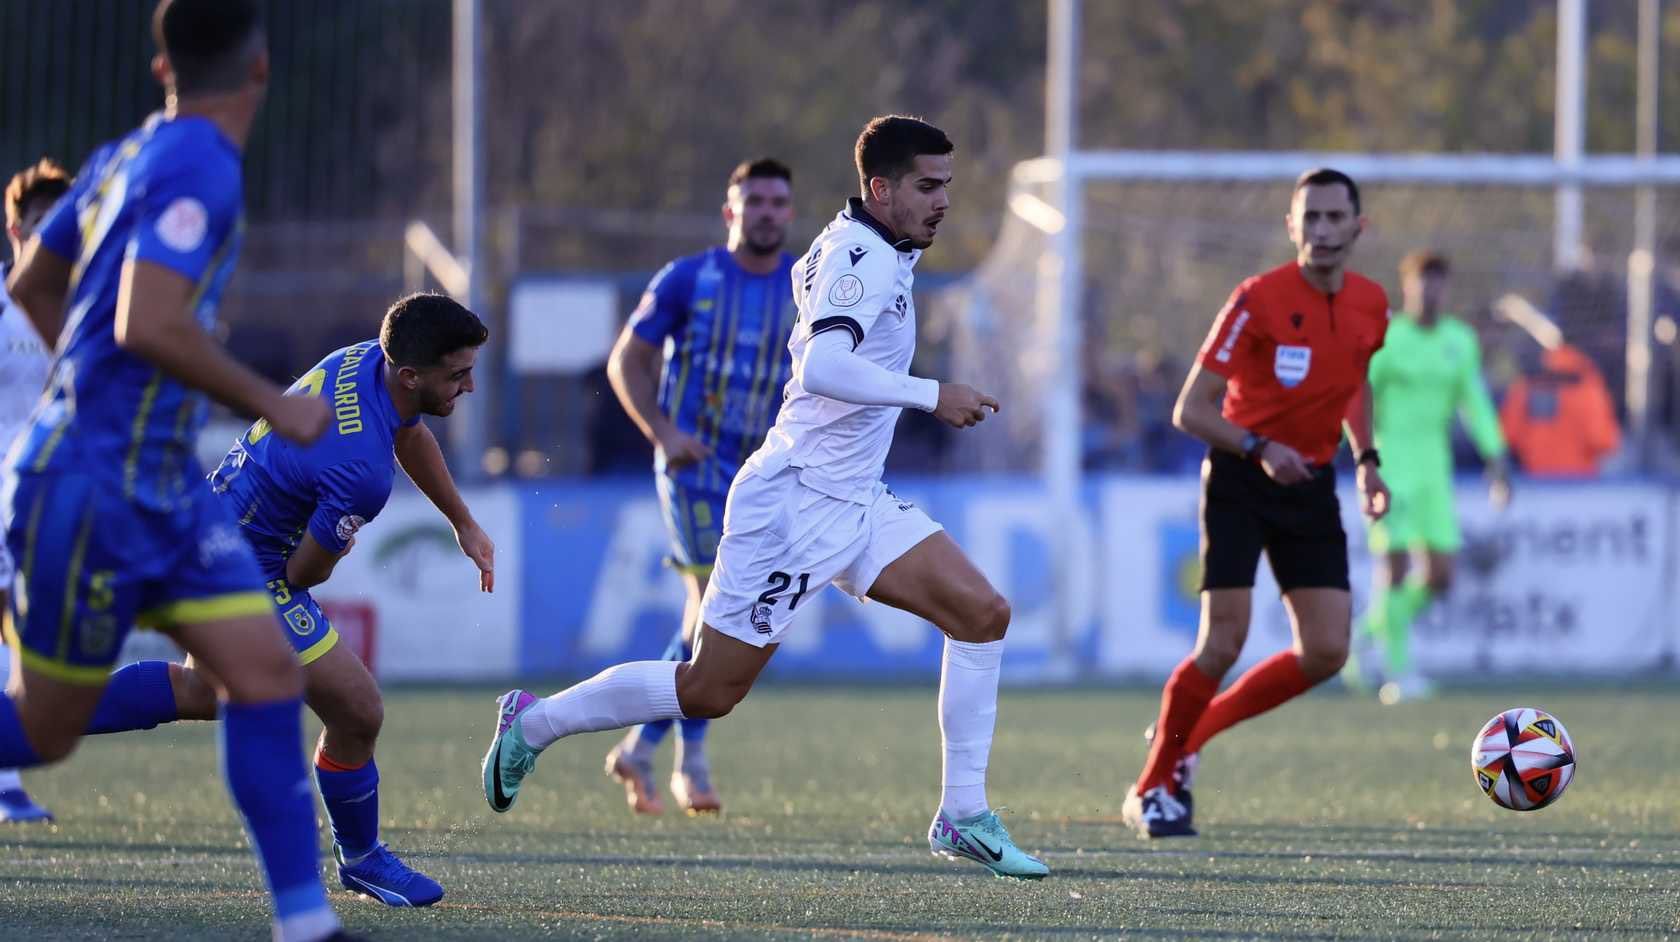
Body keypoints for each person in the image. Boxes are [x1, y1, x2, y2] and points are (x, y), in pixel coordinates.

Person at [480, 115, 1048, 879]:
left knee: (982, 615)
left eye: (947, 185)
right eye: (927, 186)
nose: (944, 201)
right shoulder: (861, 255)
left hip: (853, 499)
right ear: (879, 189)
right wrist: (929, 393)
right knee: (708, 690)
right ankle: (535, 723)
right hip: (791, 505)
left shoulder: (870, 247)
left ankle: (963, 814)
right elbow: (821, 366)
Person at [0, 2, 354, 939]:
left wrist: (91, 390)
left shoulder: (124, 154)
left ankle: (305, 921)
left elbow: (33, 282)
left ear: (162, 66)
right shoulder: (202, 162)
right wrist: (273, 405)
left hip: (156, 481)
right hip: (87, 485)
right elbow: (145, 324)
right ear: (261, 68)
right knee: (45, 733)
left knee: (264, 671)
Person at [91, 293, 492, 907]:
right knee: (357, 709)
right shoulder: (362, 473)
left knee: (206, 693)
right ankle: (360, 859)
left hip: (210, 529)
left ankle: (45, 712)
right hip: (242, 564)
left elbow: (408, 433)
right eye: (458, 374)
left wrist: (461, 520)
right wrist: (333, 544)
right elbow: (305, 572)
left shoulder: (366, 361)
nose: (468, 386)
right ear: (411, 374)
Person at [1122, 168, 1391, 839]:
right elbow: (1191, 410)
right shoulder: (1258, 299)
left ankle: (1191, 736)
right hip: (1242, 476)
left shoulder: (1371, 304)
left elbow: (1354, 380)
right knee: (1222, 642)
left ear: (1358, 227)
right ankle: (1152, 789)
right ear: (1292, 226)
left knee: (1328, 650)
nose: (1323, 230)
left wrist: (1367, 462)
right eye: (1312, 218)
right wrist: (1261, 447)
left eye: (1336, 218)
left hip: (1313, 482)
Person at [601, 158, 798, 816]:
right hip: (696, 468)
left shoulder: (806, 286)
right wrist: (661, 431)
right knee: (712, 608)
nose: (766, 211)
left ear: (790, 213)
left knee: (718, 619)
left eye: (777, 202)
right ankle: (692, 761)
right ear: (730, 211)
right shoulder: (691, 278)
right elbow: (627, 358)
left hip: (765, 477)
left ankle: (640, 749)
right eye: (755, 201)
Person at [1349, 251, 1509, 702]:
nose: (1431, 290)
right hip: (1390, 470)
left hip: (1435, 473)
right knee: (1395, 569)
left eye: (1438, 282)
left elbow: (1474, 403)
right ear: (1407, 287)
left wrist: (1496, 457)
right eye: (1423, 282)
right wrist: (1355, 453)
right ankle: (1401, 674)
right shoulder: (1388, 340)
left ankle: (1366, 633)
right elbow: (1358, 394)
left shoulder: (1459, 341)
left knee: (1441, 577)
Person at [0, 158, 68, 823]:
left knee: (35, 633)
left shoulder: (90, 313)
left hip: (56, 492)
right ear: (15, 226)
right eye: (40, 221)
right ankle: (8, 783)